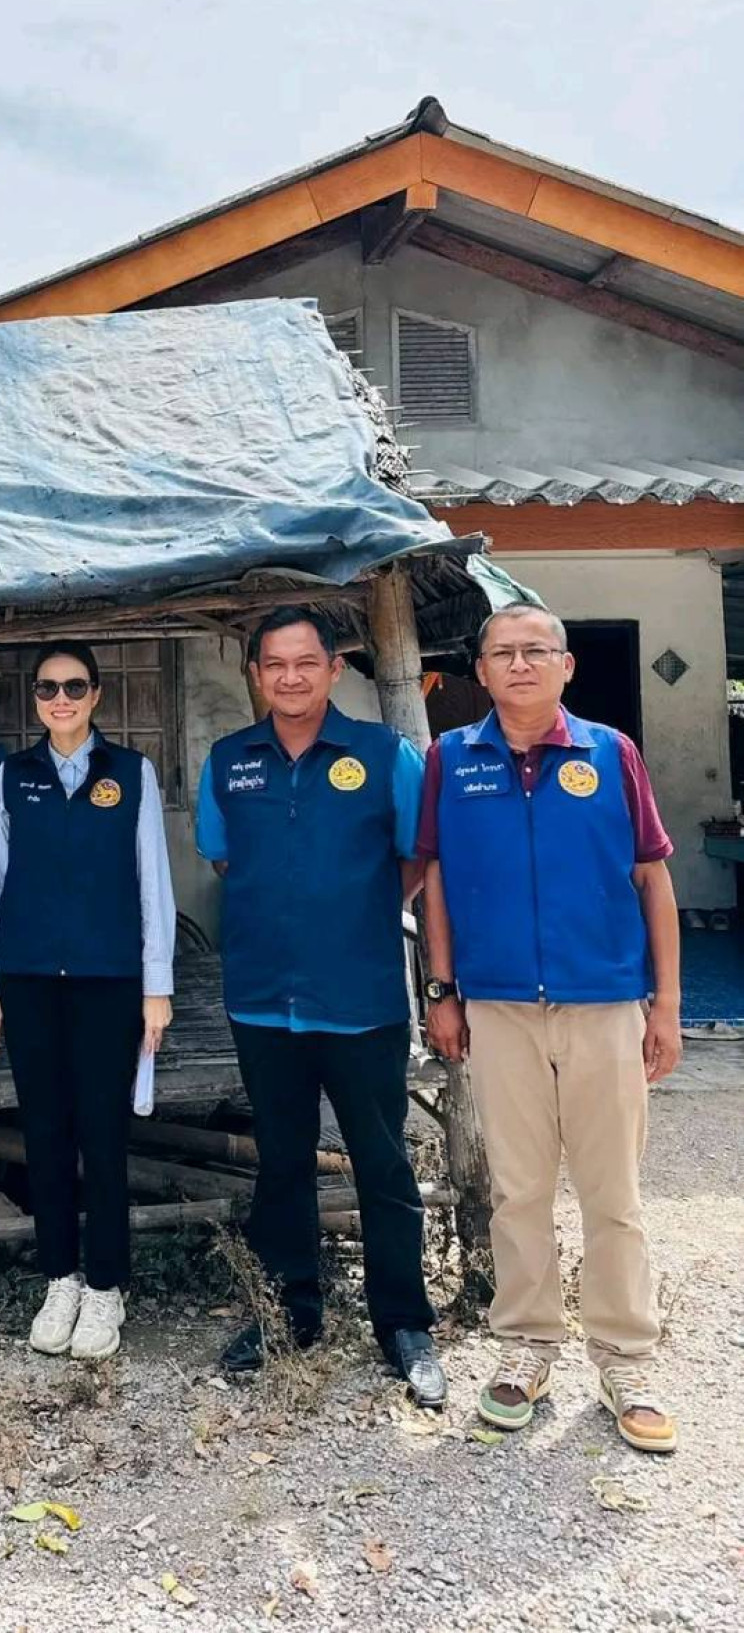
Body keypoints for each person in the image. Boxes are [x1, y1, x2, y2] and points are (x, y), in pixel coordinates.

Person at [419, 602, 682, 1453]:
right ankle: (527, 1346)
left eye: (538, 650)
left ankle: (626, 1358)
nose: (521, 664)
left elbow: (653, 879)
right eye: (503, 652)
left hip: (604, 1002)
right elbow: (437, 881)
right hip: (498, 1007)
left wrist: (666, 1005)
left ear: (567, 666)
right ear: (481, 671)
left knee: (613, 1192)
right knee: (520, 1188)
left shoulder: (611, 753)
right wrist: (441, 990)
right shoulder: (451, 759)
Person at [196, 607, 444, 1407]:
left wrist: (355, 913)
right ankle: (291, 1315)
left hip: (361, 998)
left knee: (383, 1161)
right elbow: (226, 859)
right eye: (275, 664)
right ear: (256, 674)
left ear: (335, 669)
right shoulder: (230, 761)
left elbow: (416, 856)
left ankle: (404, 1324)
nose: (291, 677)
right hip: (264, 1000)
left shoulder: (383, 753)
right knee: (281, 1163)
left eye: (307, 662)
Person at [0, 643, 174, 1361]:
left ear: (96, 696)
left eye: (74, 687)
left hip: (108, 981)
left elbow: (153, 881)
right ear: (35, 699)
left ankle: (107, 1285)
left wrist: (157, 987)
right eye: (48, 688)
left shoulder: (131, 773)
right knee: (45, 1135)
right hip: (27, 980)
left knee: (103, 1134)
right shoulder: (13, 775)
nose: (61, 699)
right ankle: (60, 1278)